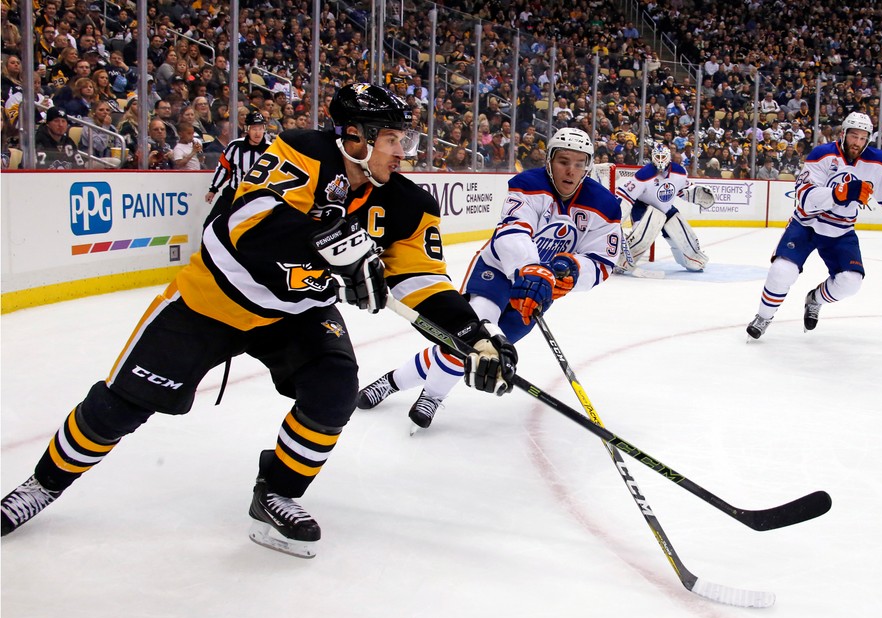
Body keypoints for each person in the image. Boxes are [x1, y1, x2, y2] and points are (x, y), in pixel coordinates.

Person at [0, 83, 518, 559]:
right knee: (120, 405)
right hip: (214, 301)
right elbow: (249, 219)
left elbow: (422, 282)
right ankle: (42, 485)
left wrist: (474, 337)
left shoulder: (408, 204)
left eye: (402, 137)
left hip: (295, 313)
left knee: (334, 390)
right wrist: (330, 245)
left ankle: (276, 494)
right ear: (353, 138)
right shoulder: (302, 150)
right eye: (390, 138)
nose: (401, 150)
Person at [356, 127, 622, 433]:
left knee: (488, 353)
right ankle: (432, 395)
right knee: (472, 342)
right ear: (549, 160)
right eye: (563, 161)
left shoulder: (604, 205)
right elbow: (512, 232)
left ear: (588, 165)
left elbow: (601, 262)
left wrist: (569, 270)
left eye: (579, 163)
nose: (570, 170)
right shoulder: (529, 184)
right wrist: (530, 268)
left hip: (538, 292)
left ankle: (390, 381)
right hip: (495, 273)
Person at [745, 112, 882, 339]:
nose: (857, 142)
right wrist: (839, 193)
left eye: (862, 138)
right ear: (843, 134)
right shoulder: (822, 155)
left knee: (851, 282)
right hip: (806, 224)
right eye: (853, 136)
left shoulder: (877, 162)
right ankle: (764, 316)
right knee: (782, 271)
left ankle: (815, 299)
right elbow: (804, 196)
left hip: (840, 231)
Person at [613, 143, 714, 275]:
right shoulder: (644, 174)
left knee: (683, 236)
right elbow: (625, 196)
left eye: (663, 156)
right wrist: (616, 216)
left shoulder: (680, 172)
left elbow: (682, 191)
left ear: (669, 158)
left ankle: (691, 259)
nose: (660, 160)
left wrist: (695, 193)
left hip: (666, 208)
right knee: (642, 237)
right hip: (643, 207)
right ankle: (622, 260)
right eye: (658, 156)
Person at [204, 111, 271, 227]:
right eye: (254, 128)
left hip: (258, 197)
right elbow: (223, 168)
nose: (258, 132)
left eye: (261, 128)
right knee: (211, 223)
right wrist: (213, 189)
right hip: (233, 193)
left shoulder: (270, 149)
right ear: (247, 129)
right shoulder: (235, 146)